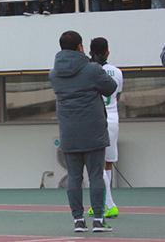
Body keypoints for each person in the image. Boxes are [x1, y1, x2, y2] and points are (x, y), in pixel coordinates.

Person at [48, 31, 117, 234]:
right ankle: (98, 220)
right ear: (80, 47)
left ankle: (78, 220)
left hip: (69, 132)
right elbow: (111, 88)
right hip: (93, 131)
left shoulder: (54, 74)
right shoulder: (92, 69)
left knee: (74, 177)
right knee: (96, 176)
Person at [88, 37, 123, 219]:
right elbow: (117, 97)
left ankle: (107, 203)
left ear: (89, 52)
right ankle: (102, 202)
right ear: (108, 51)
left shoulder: (89, 71)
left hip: (97, 119)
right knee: (107, 163)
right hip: (114, 118)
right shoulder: (117, 72)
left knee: (95, 163)